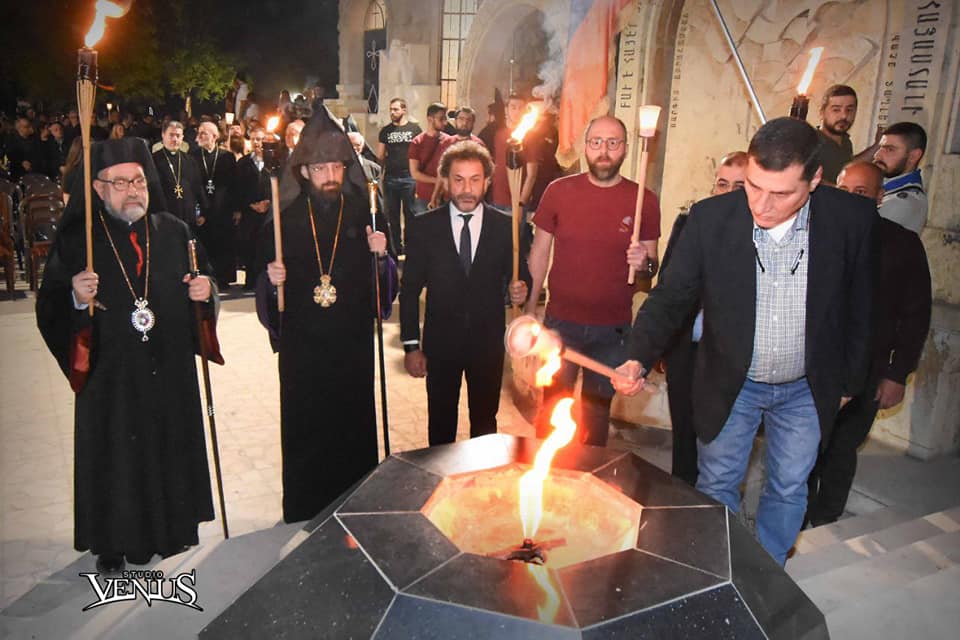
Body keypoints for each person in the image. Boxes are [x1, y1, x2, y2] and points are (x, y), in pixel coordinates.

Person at [614, 117, 876, 565]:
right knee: (717, 481)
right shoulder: (711, 218)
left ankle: (768, 572)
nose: (762, 205)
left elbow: (862, 305)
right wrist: (637, 357)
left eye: (781, 193)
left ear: (815, 179)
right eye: (754, 186)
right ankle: (723, 570)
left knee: (789, 485)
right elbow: (671, 297)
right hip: (733, 380)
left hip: (807, 386)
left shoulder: (851, 219)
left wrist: (850, 382)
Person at [36, 137, 216, 574]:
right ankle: (112, 541)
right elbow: (50, 307)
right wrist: (75, 298)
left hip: (168, 367)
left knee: (167, 444)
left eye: (138, 181)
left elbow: (203, 278)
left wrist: (205, 291)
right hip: (110, 376)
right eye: (120, 183)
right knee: (115, 455)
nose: (132, 190)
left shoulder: (175, 231)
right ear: (98, 188)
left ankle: (173, 527)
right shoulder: (80, 240)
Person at [255, 110, 394, 523]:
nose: (330, 175)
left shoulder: (366, 213)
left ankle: (355, 502)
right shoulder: (285, 218)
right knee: (306, 423)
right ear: (303, 171)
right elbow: (268, 293)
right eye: (320, 168)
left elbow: (385, 285)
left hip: (351, 339)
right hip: (303, 344)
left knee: (352, 422)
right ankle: (306, 505)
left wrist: (381, 256)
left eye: (336, 166)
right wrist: (271, 280)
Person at [806, 160, 931, 527]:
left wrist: (896, 374)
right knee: (804, 447)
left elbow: (915, 316)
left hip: (868, 370)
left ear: (879, 198)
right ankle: (794, 519)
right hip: (814, 365)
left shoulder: (902, 244)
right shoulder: (813, 235)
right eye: (843, 190)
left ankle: (826, 519)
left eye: (860, 193)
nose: (848, 199)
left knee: (841, 448)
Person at [523, 115, 661, 446]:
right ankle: (545, 474)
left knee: (596, 417)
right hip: (561, 324)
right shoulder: (559, 191)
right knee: (552, 409)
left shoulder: (643, 200)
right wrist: (530, 308)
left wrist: (643, 262)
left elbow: (650, 271)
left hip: (612, 331)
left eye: (613, 143)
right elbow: (539, 252)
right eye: (596, 142)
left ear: (625, 149)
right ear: (585, 147)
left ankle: (588, 475)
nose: (604, 151)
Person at [400, 141, 528, 445]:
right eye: (458, 180)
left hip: (487, 343)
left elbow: (521, 275)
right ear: (445, 181)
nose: (467, 189)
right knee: (440, 422)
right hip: (441, 343)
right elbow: (409, 291)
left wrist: (521, 288)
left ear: (487, 182)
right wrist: (411, 345)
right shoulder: (423, 228)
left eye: (474, 180)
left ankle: (480, 475)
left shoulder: (506, 228)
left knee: (485, 422)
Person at [661, 151, 748, 486]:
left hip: (728, 354)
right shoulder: (689, 223)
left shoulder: (759, 235)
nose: (727, 193)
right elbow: (668, 286)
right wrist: (662, 346)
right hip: (687, 347)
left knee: (721, 440)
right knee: (683, 432)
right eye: (722, 184)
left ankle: (715, 500)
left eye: (738, 186)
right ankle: (681, 496)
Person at [192, 121, 239, 288]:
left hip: (223, 208)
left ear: (214, 136)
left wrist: (237, 209)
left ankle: (223, 279)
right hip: (203, 209)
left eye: (204, 133)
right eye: (199, 132)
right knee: (205, 244)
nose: (200, 136)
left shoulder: (227, 157)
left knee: (223, 244)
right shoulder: (194, 156)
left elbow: (234, 184)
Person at [377, 98, 421, 255]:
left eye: (395, 109)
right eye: (391, 109)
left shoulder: (415, 129)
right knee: (392, 215)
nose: (392, 112)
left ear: (404, 110)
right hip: (391, 178)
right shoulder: (385, 131)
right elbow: (380, 156)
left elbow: (420, 153)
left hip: (409, 177)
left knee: (410, 214)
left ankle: (411, 248)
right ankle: (396, 248)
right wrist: (379, 175)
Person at [873, 121, 927, 234]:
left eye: (890, 149)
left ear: (913, 156)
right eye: (880, 147)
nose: (877, 155)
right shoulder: (888, 186)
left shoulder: (903, 202)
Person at [152, 120, 208, 229]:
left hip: (188, 215)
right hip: (164, 216)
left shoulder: (190, 160)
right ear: (163, 135)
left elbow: (198, 187)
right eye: (171, 135)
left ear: (182, 138)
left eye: (178, 136)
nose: (175, 139)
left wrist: (203, 212)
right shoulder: (153, 160)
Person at [236, 125, 272, 289]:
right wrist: (249, 204)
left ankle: (266, 281)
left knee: (266, 246)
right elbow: (237, 187)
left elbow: (279, 185)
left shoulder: (274, 162)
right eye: (254, 139)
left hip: (268, 212)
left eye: (261, 139)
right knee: (250, 245)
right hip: (249, 212)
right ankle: (250, 280)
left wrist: (268, 202)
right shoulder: (243, 163)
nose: (258, 143)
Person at [428, 106, 485, 207]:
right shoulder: (446, 143)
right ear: (455, 121)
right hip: (447, 198)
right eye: (461, 119)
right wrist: (434, 196)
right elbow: (441, 172)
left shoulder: (478, 145)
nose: (464, 123)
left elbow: (484, 175)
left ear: (473, 123)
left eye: (468, 120)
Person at [408, 102, 450, 213]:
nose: (445, 122)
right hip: (424, 196)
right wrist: (437, 181)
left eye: (445, 118)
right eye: (441, 119)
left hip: (445, 195)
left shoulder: (449, 141)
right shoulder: (417, 142)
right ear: (430, 119)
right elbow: (414, 173)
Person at [815, 85, 857, 184]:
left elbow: (849, 165)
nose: (844, 116)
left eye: (849, 110)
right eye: (836, 110)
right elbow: (803, 177)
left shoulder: (846, 142)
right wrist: (840, 190)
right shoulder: (811, 142)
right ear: (822, 112)